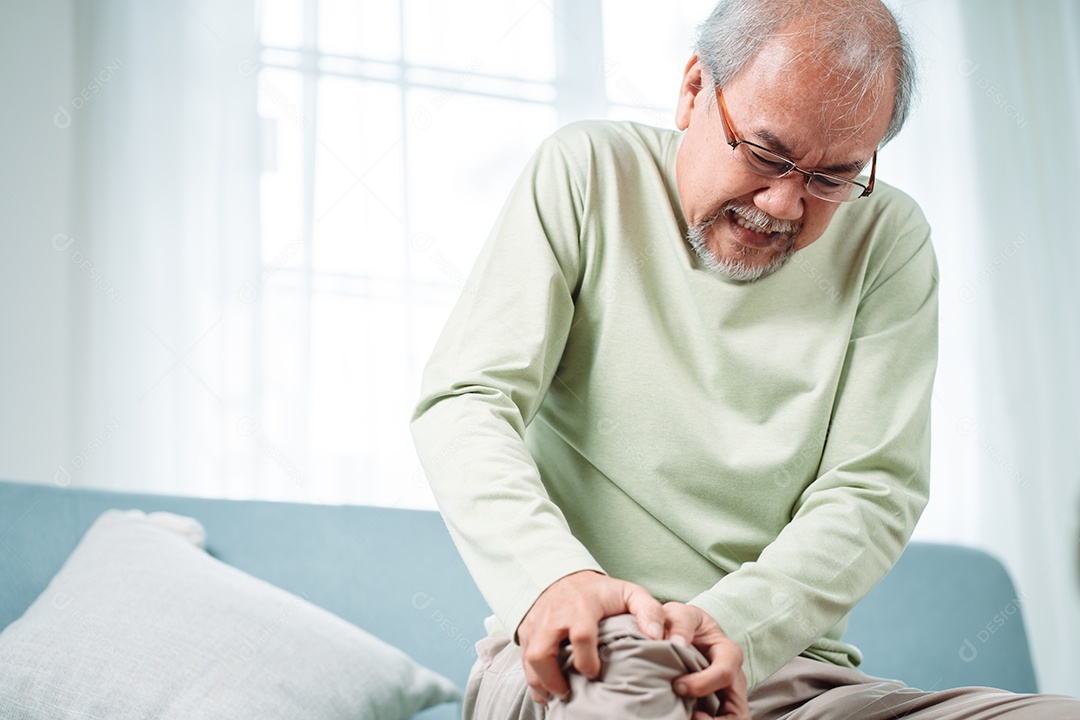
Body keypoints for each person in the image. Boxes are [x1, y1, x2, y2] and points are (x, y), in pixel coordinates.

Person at [411, 0, 1080, 718]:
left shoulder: (888, 239)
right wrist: (554, 580)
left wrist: (735, 628)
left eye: (832, 178)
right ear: (694, 89)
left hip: (779, 673)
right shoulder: (587, 172)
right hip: (592, 647)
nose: (786, 203)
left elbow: (871, 489)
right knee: (631, 683)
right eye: (765, 155)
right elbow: (468, 400)